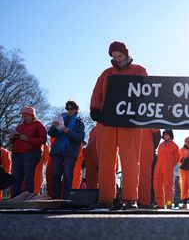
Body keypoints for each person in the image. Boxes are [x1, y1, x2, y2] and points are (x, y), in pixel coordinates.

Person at [90, 41, 148, 209]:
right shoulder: (106, 73)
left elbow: (146, 90)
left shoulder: (139, 70)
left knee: (130, 160)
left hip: (129, 122)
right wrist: (94, 109)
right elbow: (97, 93)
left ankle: (131, 199)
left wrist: (138, 109)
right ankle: (106, 198)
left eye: (119, 56)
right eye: (114, 57)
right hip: (106, 122)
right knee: (106, 160)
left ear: (126, 54)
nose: (117, 59)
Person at [48, 100, 85, 199]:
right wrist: (54, 127)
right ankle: (55, 199)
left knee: (68, 176)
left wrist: (68, 131)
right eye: (67, 108)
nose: (69, 110)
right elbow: (51, 133)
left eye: (71, 108)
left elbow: (80, 137)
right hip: (57, 151)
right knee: (55, 175)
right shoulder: (62, 119)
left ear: (76, 109)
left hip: (70, 152)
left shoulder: (79, 123)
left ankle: (66, 199)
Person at [10, 106, 47, 197]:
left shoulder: (39, 125)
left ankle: (28, 197)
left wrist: (27, 138)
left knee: (29, 177)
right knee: (16, 177)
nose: (24, 117)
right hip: (17, 153)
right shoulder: (19, 126)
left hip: (31, 153)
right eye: (23, 115)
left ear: (32, 116)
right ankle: (15, 198)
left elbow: (43, 140)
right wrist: (12, 138)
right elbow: (14, 141)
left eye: (26, 115)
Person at [154, 129, 179, 209]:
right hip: (158, 167)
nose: (165, 136)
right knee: (157, 186)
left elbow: (177, 158)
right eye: (164, 135)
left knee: (168, 187)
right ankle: (160, 204)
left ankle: (168, 204)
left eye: (166, 134)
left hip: (168, 168)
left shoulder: (175, 146)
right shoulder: (161, 145)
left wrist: (170, 165)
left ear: (170, 135)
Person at [138, 129, 161, 208]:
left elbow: (157, 134)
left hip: (147, 152)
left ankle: (148, 201)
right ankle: (137, 200)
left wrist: (151, 147)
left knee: (148, 178)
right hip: (140, 150)